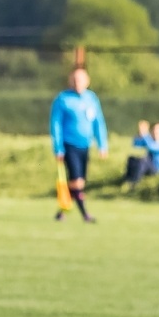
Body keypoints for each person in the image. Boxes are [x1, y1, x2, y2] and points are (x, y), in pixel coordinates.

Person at [50, 67, 107, 223]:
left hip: (85, 145)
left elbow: (98, 122)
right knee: (77, 181)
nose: (78, 83)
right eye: (75, 80)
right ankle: (85, 214)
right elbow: (56, 124)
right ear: (70, 81)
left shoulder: (91, 99)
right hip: (69, 145)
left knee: (79, 182)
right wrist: (58, 147)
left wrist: (102, 145)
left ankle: (62, 210)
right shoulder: (63, 99)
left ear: (87, 81)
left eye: (81, 79)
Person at [122, 120, 155, 189]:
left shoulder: (148, 138)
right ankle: (127, 180)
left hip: (147, 161)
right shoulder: (136, 138)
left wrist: (144, 136)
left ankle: (135, 182)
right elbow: (134, 148)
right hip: (136, 158)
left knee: (140, 163)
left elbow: (149, 147)